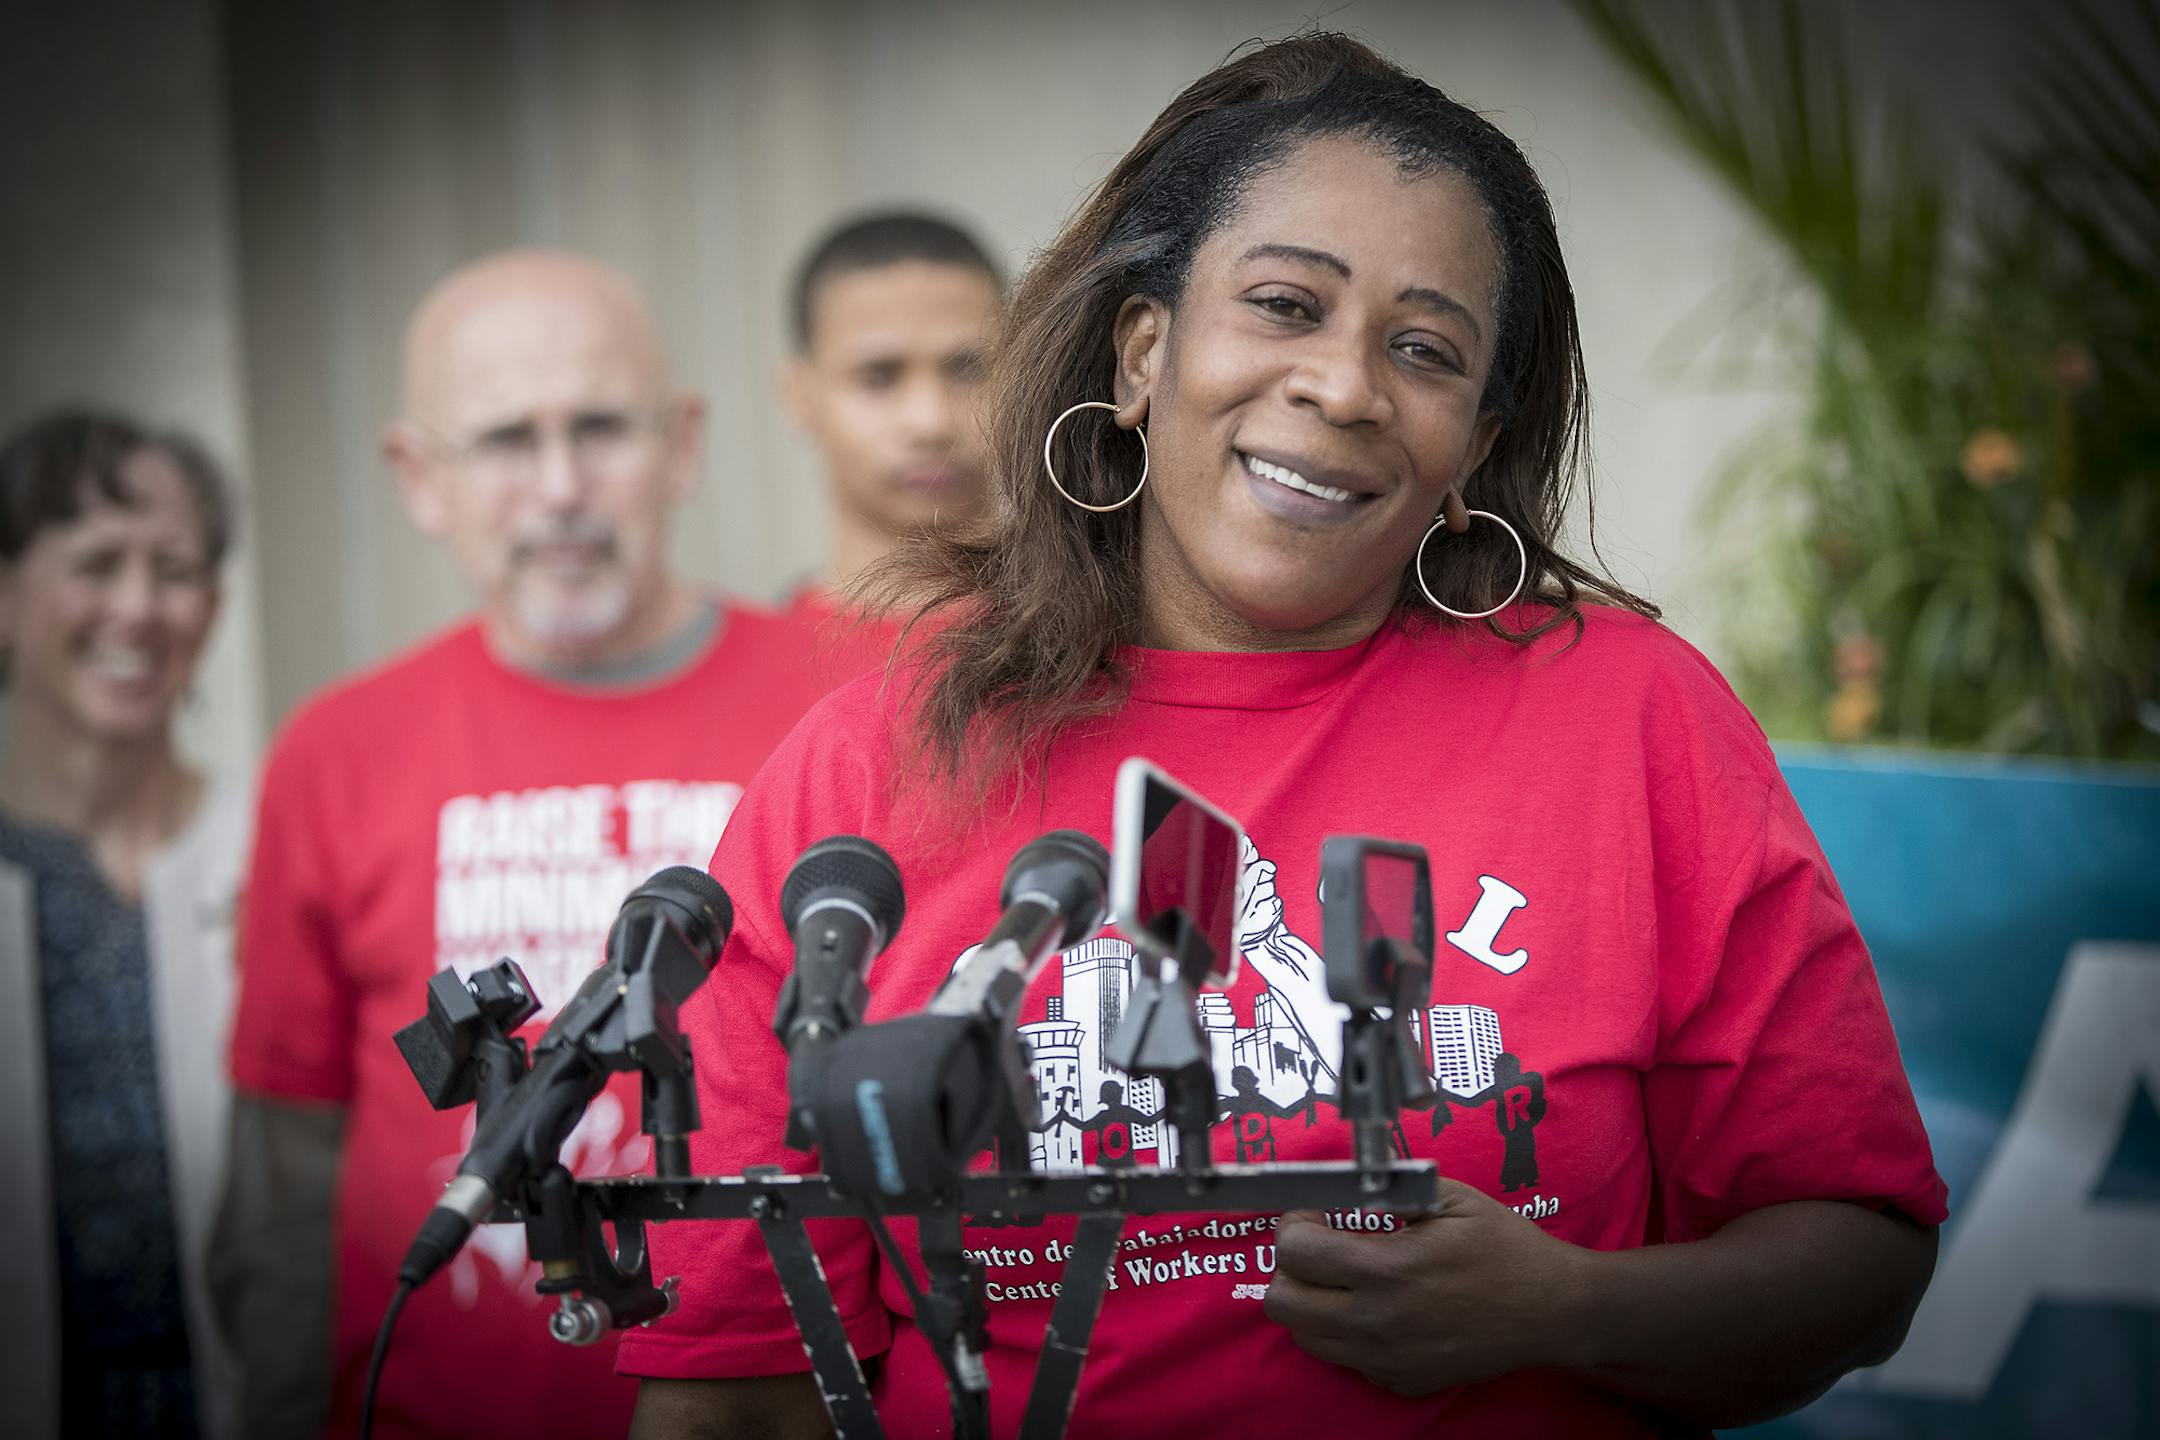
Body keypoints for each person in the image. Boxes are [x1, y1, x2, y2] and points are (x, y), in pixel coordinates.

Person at [620, 33, 1949, 1438]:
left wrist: (1563, 1309)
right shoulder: (873, 763)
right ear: (1142, 352)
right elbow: (739, 1383)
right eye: (1282, 304)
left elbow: (1859, 1255)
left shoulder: (1632, 719)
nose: (1346, 386)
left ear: (1469, 446)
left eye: (1424, 350)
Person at [214, 250, 835, 1439]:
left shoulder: (844, 704)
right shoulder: (336, 751)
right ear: (419, 475)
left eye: (600, 428)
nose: (561, 488)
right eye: (506, 441)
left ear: (683, 442)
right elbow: (280, 1184)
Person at [0, 410, 246, 1439]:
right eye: (96, 563)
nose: (139, 608)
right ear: (7, 595)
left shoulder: (273, 844)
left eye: (177, 570)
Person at [778, 212, 1002, 667]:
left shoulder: (1110, 644)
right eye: (878, 377)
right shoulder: (760, 672)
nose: (930, 422)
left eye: (967, 369)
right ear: (800, 397)